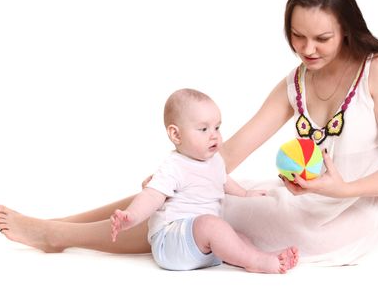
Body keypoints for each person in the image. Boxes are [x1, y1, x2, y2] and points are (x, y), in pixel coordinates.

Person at [0, 0, 378, 266]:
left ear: (347, 29)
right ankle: (62, 224)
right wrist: (179, 168)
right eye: (297, 36)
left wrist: (343, 188)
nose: (307, 49)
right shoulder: (297, 81)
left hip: (349, 217)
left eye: (322, 38)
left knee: (190, 204)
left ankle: (60, 235)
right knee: (181, 185)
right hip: (308, 199)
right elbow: (231, 151)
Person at [109, 88, 298, 273]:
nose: (214, 134)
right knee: (213, 226)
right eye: (203, 129)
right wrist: (132, 215)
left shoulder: (214, 161)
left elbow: (223, 180)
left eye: (217, 127)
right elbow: (151, 195)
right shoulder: (174, 166)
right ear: (176, 135)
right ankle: (255, 260)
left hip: (201, 245)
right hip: (172, 243)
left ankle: (259, 255)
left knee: (237, 236)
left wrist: (245, 193)